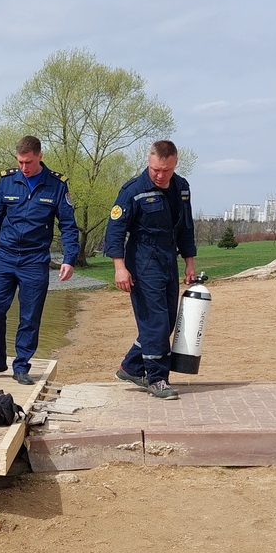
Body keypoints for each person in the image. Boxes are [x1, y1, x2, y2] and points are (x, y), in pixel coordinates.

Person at [0, 135, 80, 385]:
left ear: (40, 157)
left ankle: (21, 366)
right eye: (20, 162)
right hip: (4, 257)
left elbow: (68, 226)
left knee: (30, 315)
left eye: (29, 162)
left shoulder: (57, 185)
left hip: (35, 260)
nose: (24, 167)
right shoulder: (6, 182)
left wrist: (69, 259)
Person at [103, 140, 196, 400]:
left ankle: (131, 367)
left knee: (167, 321)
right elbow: (115, 231)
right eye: (156, 169)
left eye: (166, 170)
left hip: (168, 259)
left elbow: (186, 227)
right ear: (149, 161)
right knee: (155, 322)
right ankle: (157, 379)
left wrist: (189, 262)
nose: (160, 175)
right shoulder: (133, 190)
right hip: (143, 260)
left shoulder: (182, 188)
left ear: (175, 164)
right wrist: (119, 267)